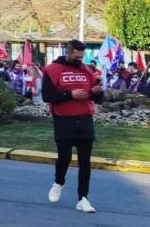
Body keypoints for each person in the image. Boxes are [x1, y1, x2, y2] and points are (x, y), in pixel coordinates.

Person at [42, 39, 103, 214]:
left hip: (84, 119)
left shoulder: (87, 70)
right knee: (65, 157)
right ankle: (58, 182)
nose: (79, 61)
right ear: (67, 53)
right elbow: (47, 95)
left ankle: (83, 198)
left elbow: (96, 97)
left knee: (85, 162)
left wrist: (98, 93)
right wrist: (70, 94)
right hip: (63, 120)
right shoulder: (52, 70)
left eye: (81, 57)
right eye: (76, 57)